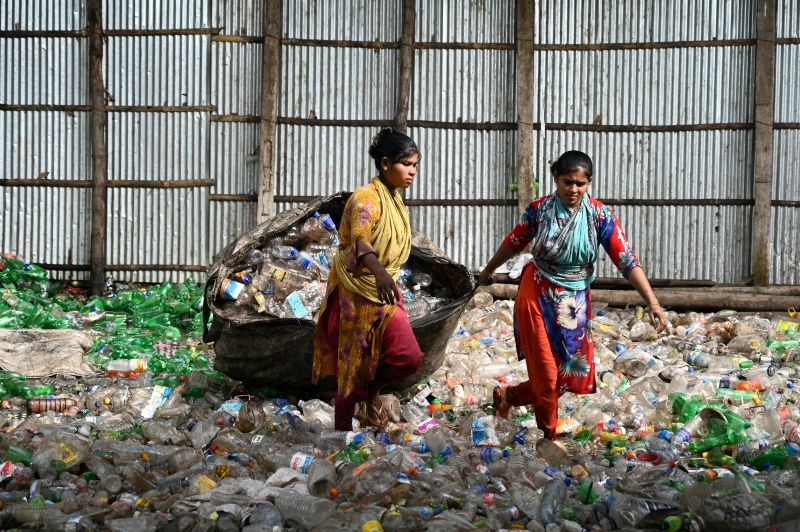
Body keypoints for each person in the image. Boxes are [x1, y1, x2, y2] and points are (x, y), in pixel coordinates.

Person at [478, 150, 668, 440]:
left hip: (573, 300)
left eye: (581, 183)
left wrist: (652, 302)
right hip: (538, 291)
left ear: (589, 183)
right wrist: (487, 271)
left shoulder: (599, 216)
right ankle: (548, 438)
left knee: (568, 375)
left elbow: (626, 260)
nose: (574, 189)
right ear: (555, 178)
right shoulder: (540, 210)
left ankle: (508, 396)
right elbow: (514, 242)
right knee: (546, 372)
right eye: (568, 182)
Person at [312, 128, 425, 431]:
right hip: (356, 291)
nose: (412, 171)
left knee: (409, 357)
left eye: (415, 164)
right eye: (406, 164)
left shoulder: (395, 199)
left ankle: (372, 392)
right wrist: (379, 274)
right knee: (350, 365)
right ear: (385, 163)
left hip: (383, 289)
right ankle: (341, 435)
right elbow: (361, 242)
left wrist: (386, 277)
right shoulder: (366, 199)